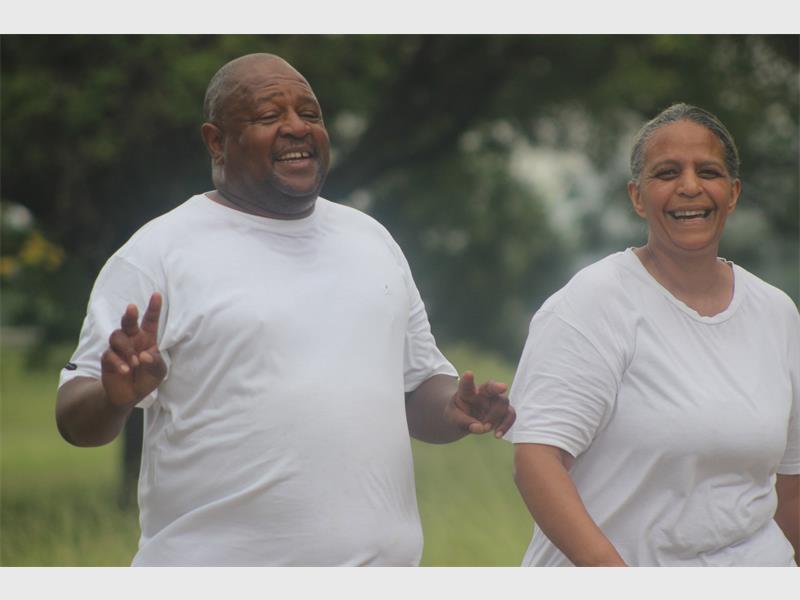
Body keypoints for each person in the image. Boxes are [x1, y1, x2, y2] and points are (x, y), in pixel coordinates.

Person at [56, 53, 515, 566]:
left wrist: (454, 408)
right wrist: (114, 398)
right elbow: (75, 418)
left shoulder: (371, 240)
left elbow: (416, 386)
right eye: (268, 117)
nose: (296, 128)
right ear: (216, 141)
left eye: (310, 114)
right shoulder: (158, 253)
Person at [507, 103, 799, 566]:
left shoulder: (776, 313)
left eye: (708, 171)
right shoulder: (593, 303)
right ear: (637, 196)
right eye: (666, 173)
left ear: (733, 193)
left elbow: (790, 486)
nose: (689, 187)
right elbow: (537, 462)